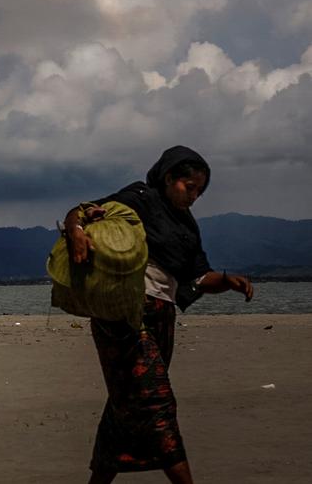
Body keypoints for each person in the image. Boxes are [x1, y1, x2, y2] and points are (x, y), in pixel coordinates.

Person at [61, 146, 255, 484]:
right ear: (168, 178)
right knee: (156, 403)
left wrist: (227, 281)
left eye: (199, 191)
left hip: (163, 317)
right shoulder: (141, 199)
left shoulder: (187, 227)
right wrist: (77, 231)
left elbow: (197, 276)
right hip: (125, 316)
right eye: (189, 187)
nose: (193, 196)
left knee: (126, 405)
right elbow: (81, 211)